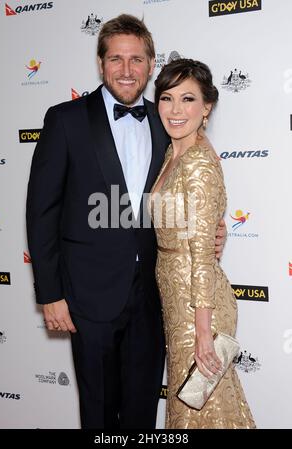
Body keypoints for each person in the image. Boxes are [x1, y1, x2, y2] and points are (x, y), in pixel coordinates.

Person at [26, 15, 226, 429]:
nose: (126, 70)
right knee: (98, 412)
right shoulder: (65, 119)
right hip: (87, 296)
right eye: (116, 59)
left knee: (141, 411)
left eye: (136, 59)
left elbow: (180, 196)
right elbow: (41, 211)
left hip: (153, 298)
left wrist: (208, 232)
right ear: (100, 64)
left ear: (151, 65)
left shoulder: (166, 120)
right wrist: (50, 294)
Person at [151, 58, 256, 428]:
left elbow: (200, 256)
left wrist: (202, 333)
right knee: (205, 409)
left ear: (207, 106)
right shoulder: (173, 151)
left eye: (188, 98)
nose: (175, 109)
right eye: (166, 98)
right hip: (179, 298)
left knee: (199, 411)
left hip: (198, 308)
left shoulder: (197, 163)